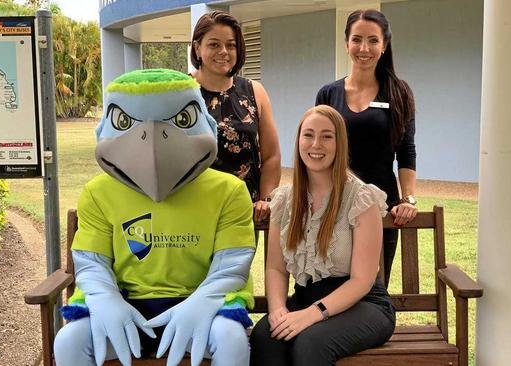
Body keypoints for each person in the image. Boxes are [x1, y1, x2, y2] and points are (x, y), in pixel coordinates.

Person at [53, 69, 255, 366]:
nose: (152, 144)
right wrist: (106, 299)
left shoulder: (229, 191)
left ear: (206, 123)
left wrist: (203, 301)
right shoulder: (98, 192)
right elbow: (92, 262)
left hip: (198, 307)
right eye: (124, 123)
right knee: (69, 341)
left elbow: (231, 264)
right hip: (127, 309)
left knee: (231, 339)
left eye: (183, 120)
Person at [249, 105, 396, 366]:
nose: (316, 144)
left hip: (363, 304)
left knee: (311, 343)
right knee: (266, 336)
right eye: (308, 135)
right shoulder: (284, 199)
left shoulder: (361, 198)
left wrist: (313, 314)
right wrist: (278, 310)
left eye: (327, 136)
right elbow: (275, 268)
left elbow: (362, 280)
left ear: (340, 143)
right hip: (305, 298)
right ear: (298, 141)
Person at [315, 9, 417, 286]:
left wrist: (407, 199)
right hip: (332, 206)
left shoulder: (399, 92)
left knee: (374, 287)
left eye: (373, 40)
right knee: (331, 284)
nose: (364, 48)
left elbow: (406, 151)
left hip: (381, 207)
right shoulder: (328, 94)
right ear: (346, 43)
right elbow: (316, 152)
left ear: (384, 45)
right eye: (357, 39)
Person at [190, 10, 281, 222]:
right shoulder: (179, 93)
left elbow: (271, 156)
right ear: (197, 48)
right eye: (214, 44)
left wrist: (266, 200)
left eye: (230, 45)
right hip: (192, 212)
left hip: (243, 212)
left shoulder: (255, 91)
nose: (224, 51)